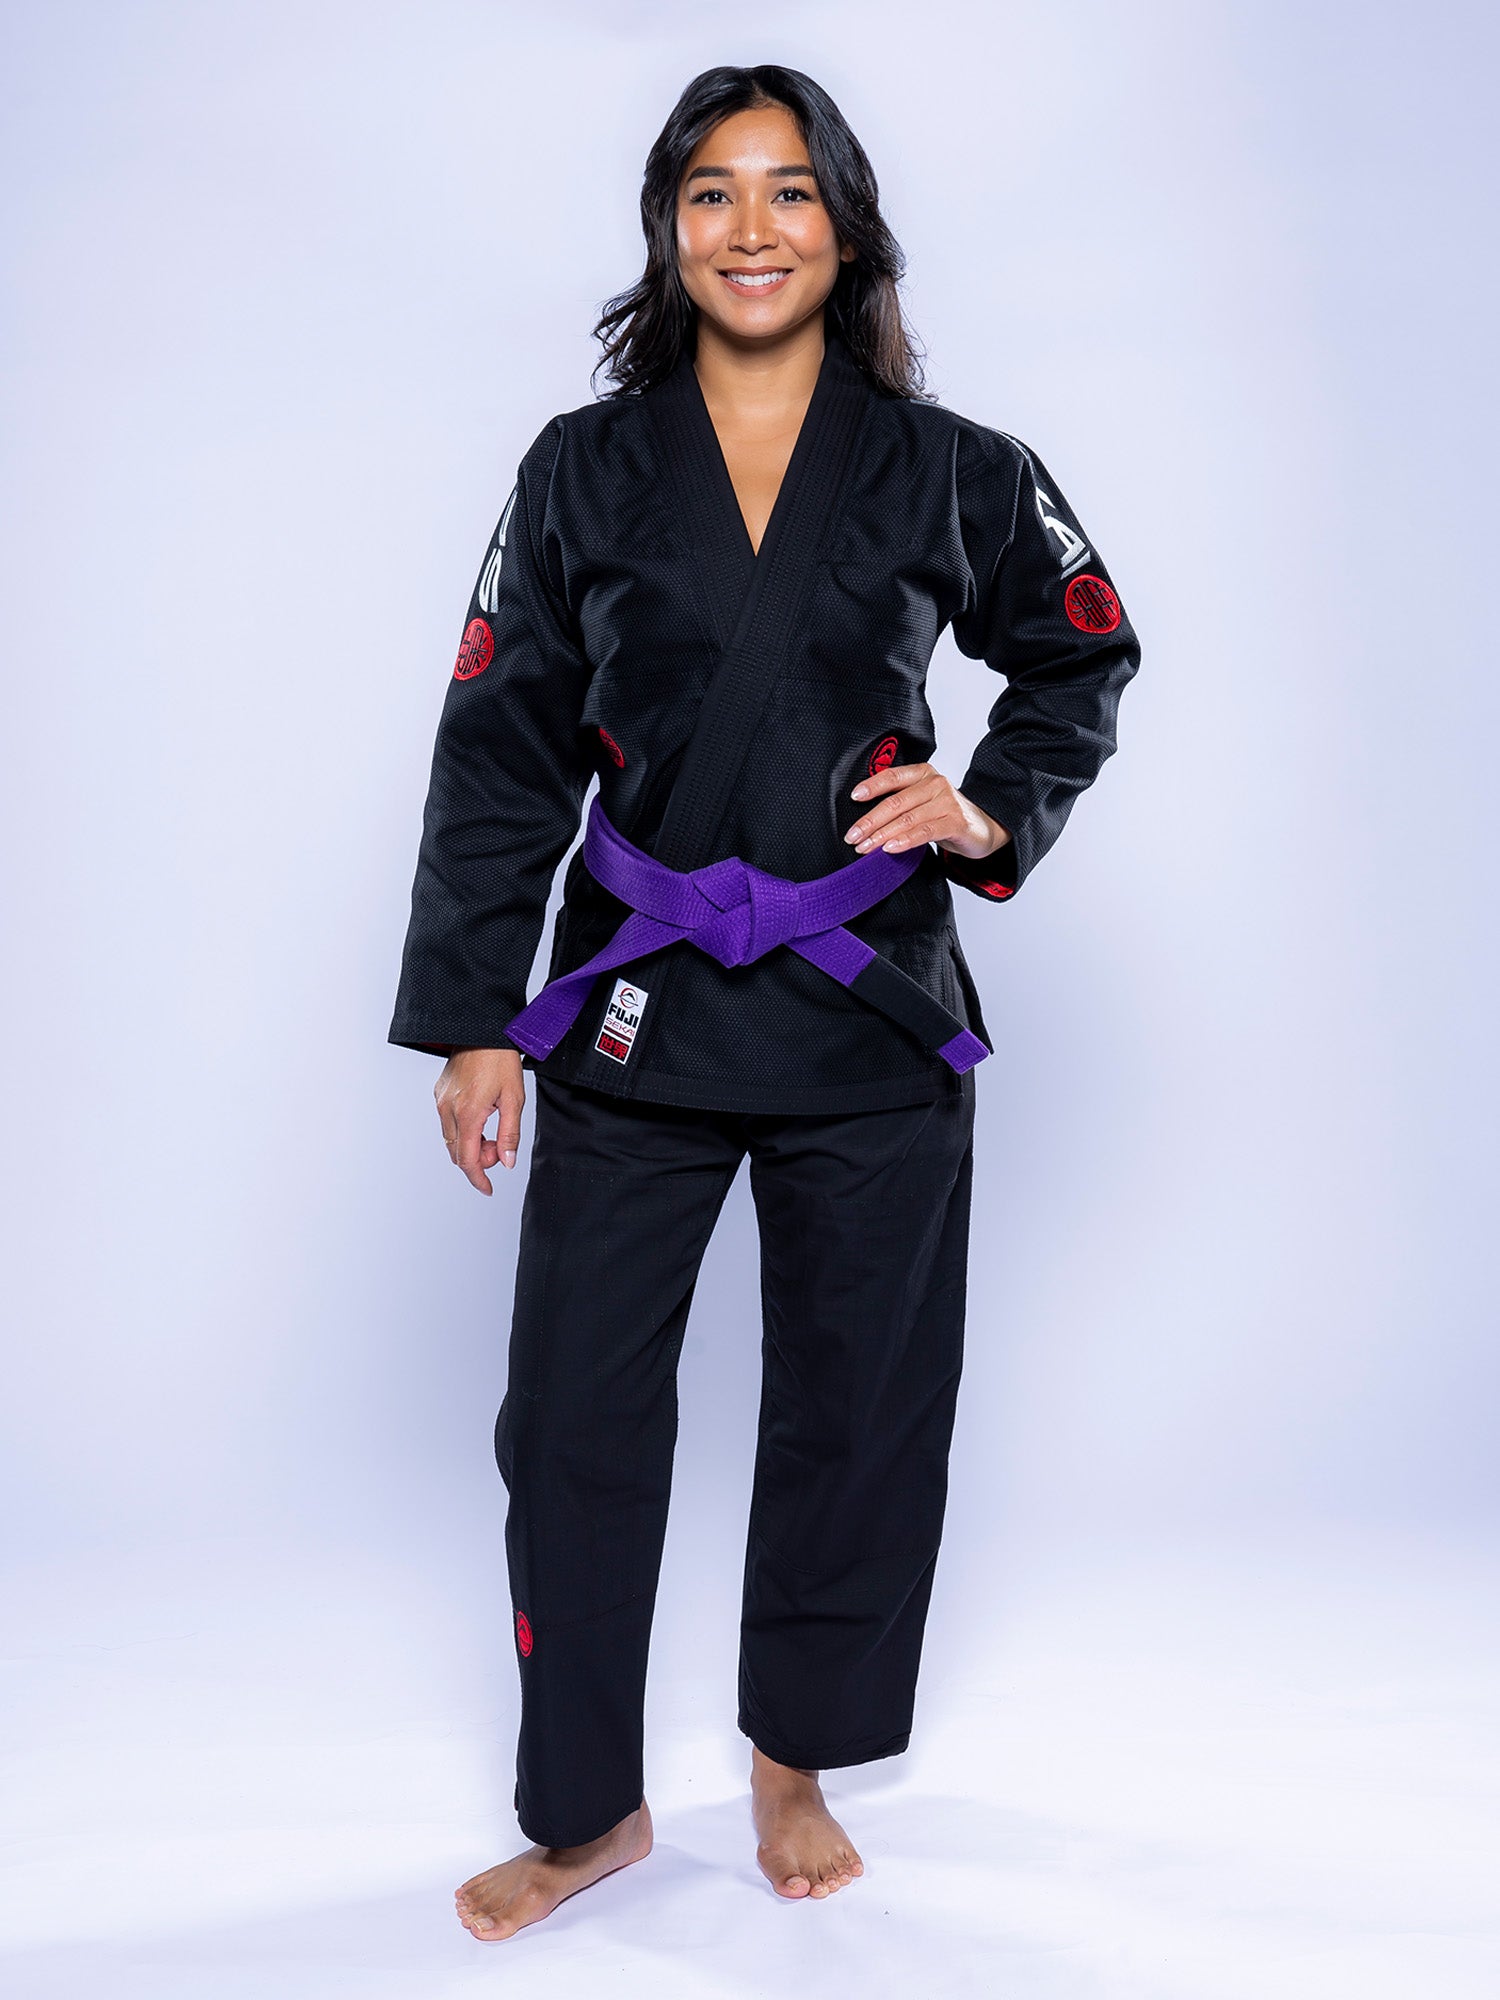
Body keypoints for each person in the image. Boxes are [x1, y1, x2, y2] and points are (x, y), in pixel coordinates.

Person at [389, 63, 1139, 1943]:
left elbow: (1085, 649)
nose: (751, 228)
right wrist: (483, 1012)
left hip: (866, 1004)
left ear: (849, 225)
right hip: (637, 1005)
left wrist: (991, 807)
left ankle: (792, 1758)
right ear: (668, 229)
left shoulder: (952, 463)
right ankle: (585, 1813)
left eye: (791, 193)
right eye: (713, 194)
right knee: (569, 1416)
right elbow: (500, 747)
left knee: (857, 1406)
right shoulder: (582, 467)